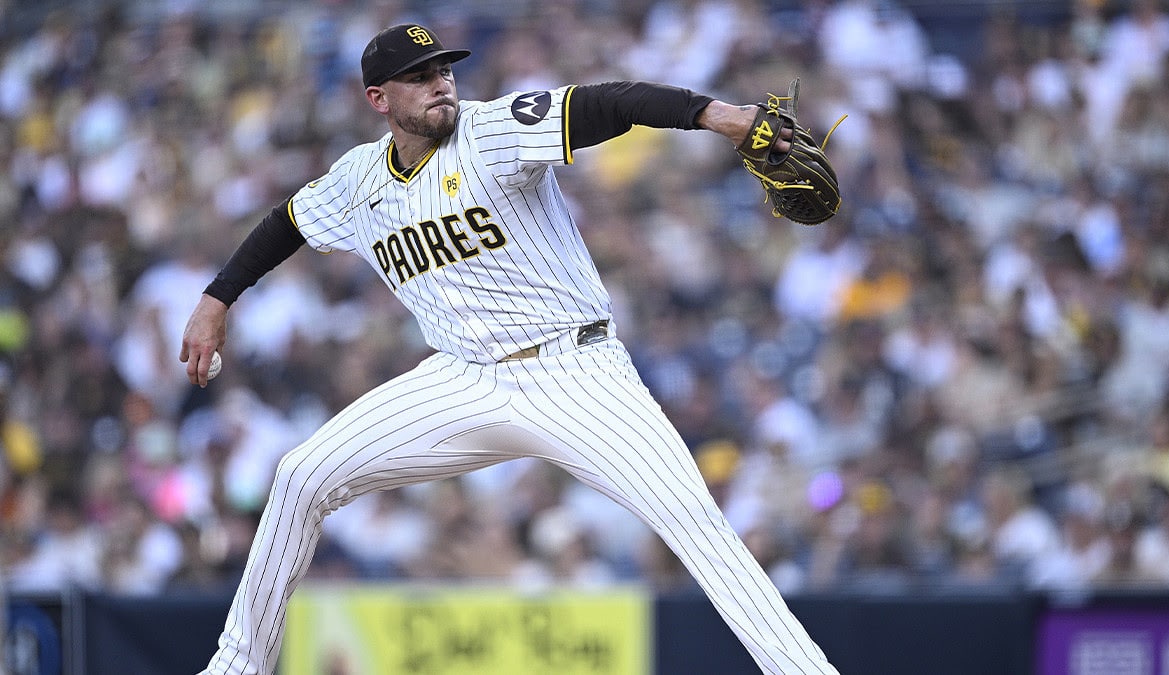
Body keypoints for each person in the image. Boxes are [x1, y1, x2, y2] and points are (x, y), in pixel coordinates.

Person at [180, 22, 840, 675]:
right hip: (463, 379)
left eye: (444, 70)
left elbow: (608, 102)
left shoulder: (492, 130)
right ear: (378, 98)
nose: (440, 84)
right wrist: (216, 300)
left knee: (695, 520)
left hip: (575, 372)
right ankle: (235, 667)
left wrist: (719, 115)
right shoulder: (358, 180)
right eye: (419, 76)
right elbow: (285, 224)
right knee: (301, 475)